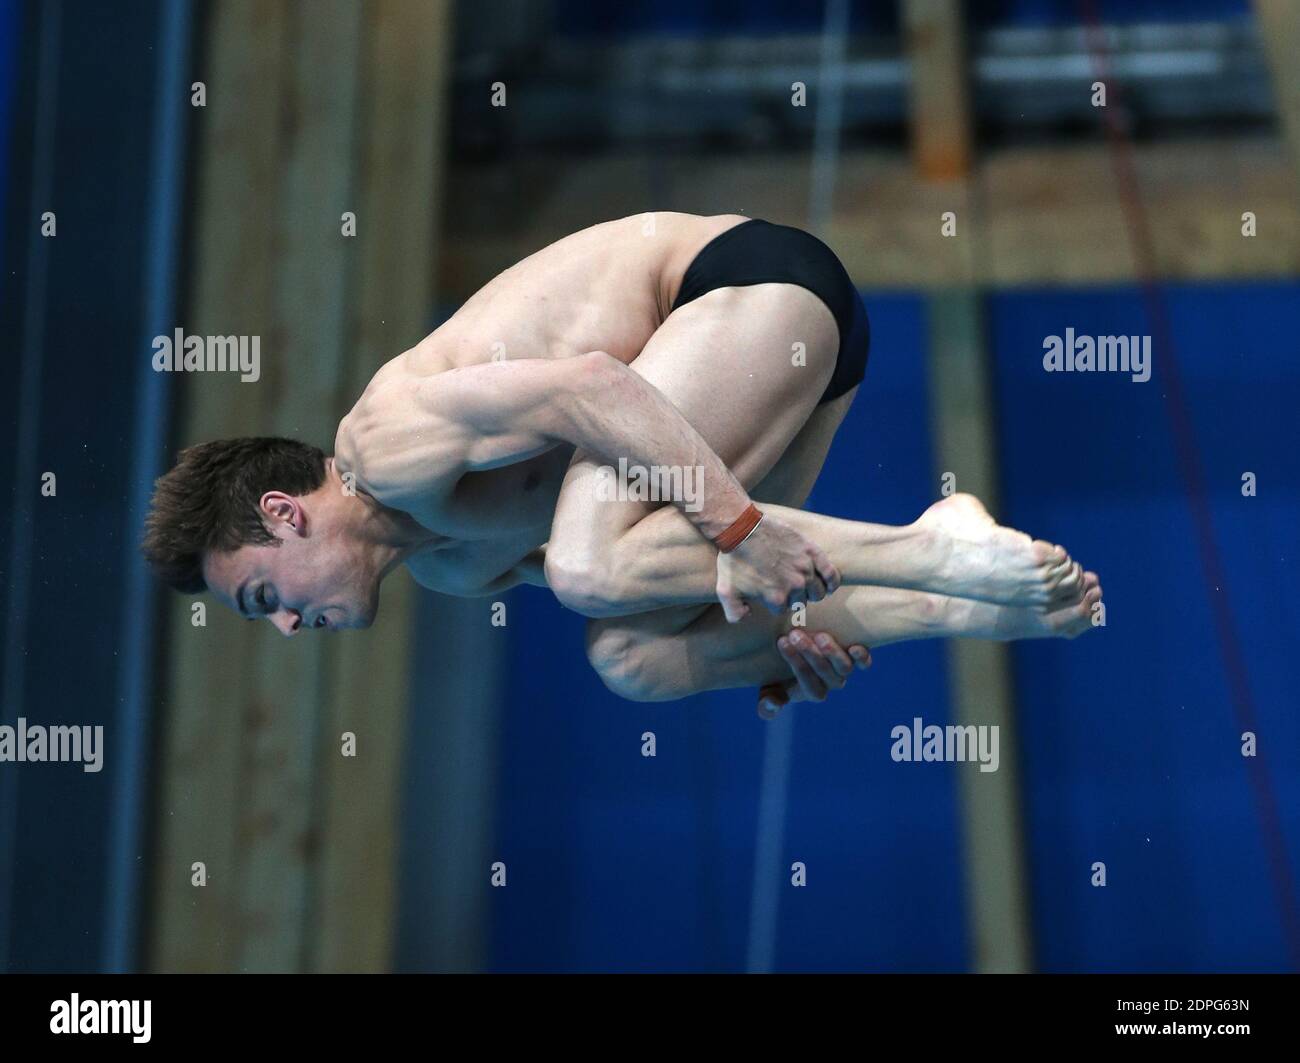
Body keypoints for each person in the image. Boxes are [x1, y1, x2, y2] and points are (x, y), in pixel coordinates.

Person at [144, 213, 1100, 716]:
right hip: (804, 372)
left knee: (587, 564)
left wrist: (741, 533)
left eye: (264, 598)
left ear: (283, 512)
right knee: (632, 659)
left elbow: (595, 391)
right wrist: (769, 642)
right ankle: (949, 602)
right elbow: (668, 587)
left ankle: (931, 549)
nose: (288, 629)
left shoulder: (384, 444)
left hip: (749, 288)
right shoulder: (448, 567)